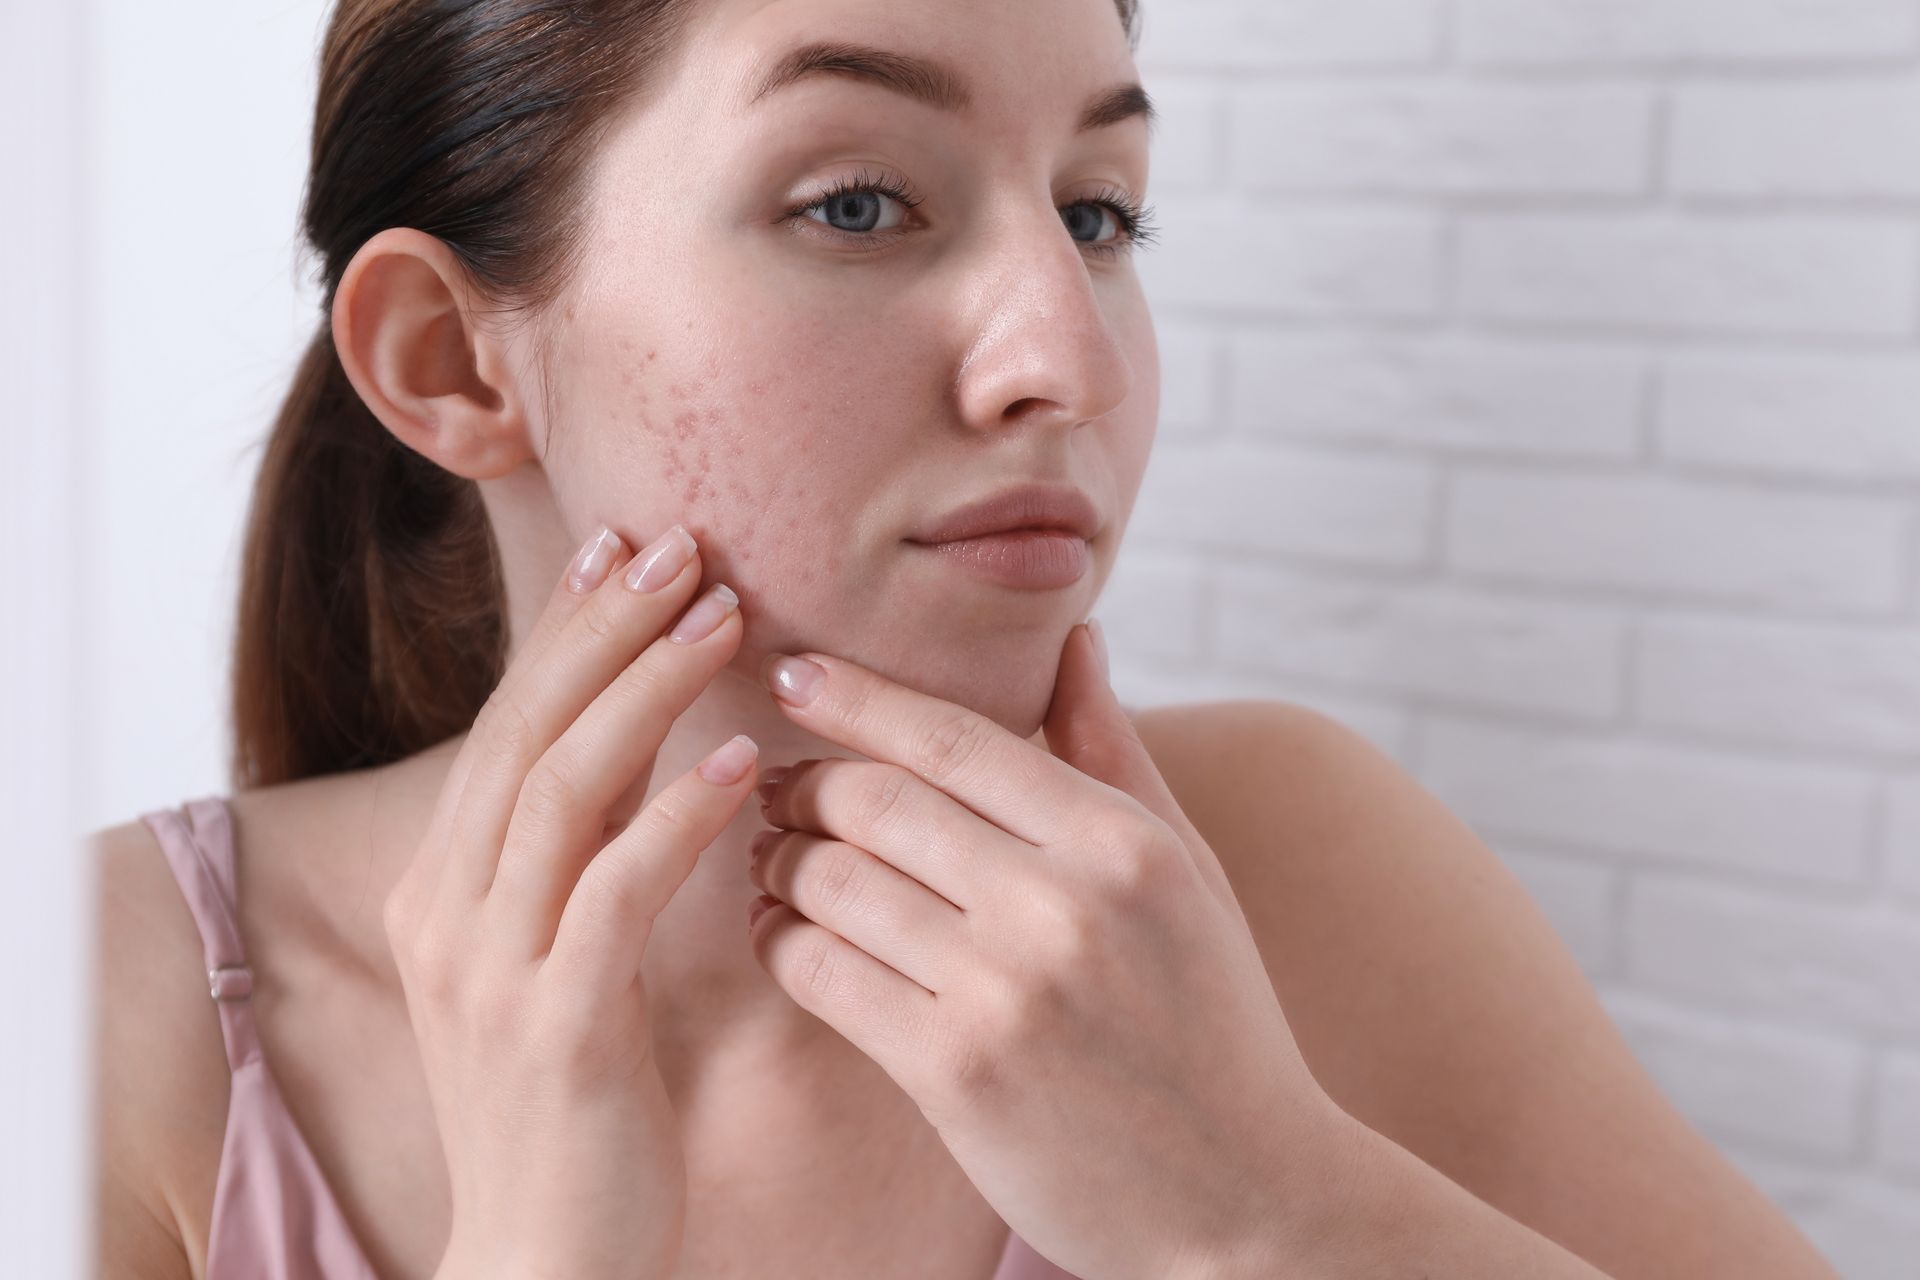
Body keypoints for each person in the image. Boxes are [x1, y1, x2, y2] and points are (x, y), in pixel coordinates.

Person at [86, 0, 1845, 1277]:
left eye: (1099, 211)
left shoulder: (1294, 881)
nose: (1065, 359)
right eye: (857, 201)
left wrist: (1269, 1214)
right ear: (453, 362)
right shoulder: (112, 1014)